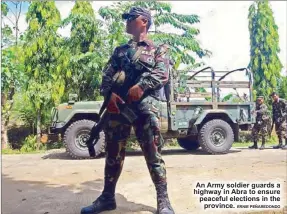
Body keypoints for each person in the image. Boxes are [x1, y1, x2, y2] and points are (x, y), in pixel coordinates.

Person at [81, 7, 175, 214]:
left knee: (153, 153)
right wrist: (110, 95)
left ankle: (164, 201)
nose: (126, 21)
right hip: (118, 108)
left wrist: (142, 86)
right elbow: (107, 75)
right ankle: (107, 198)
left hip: (145, 108)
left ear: (143, 21)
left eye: (130, 18)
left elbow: (162, 74)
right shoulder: (120, 51)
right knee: (113, 153)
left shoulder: (159, 49)